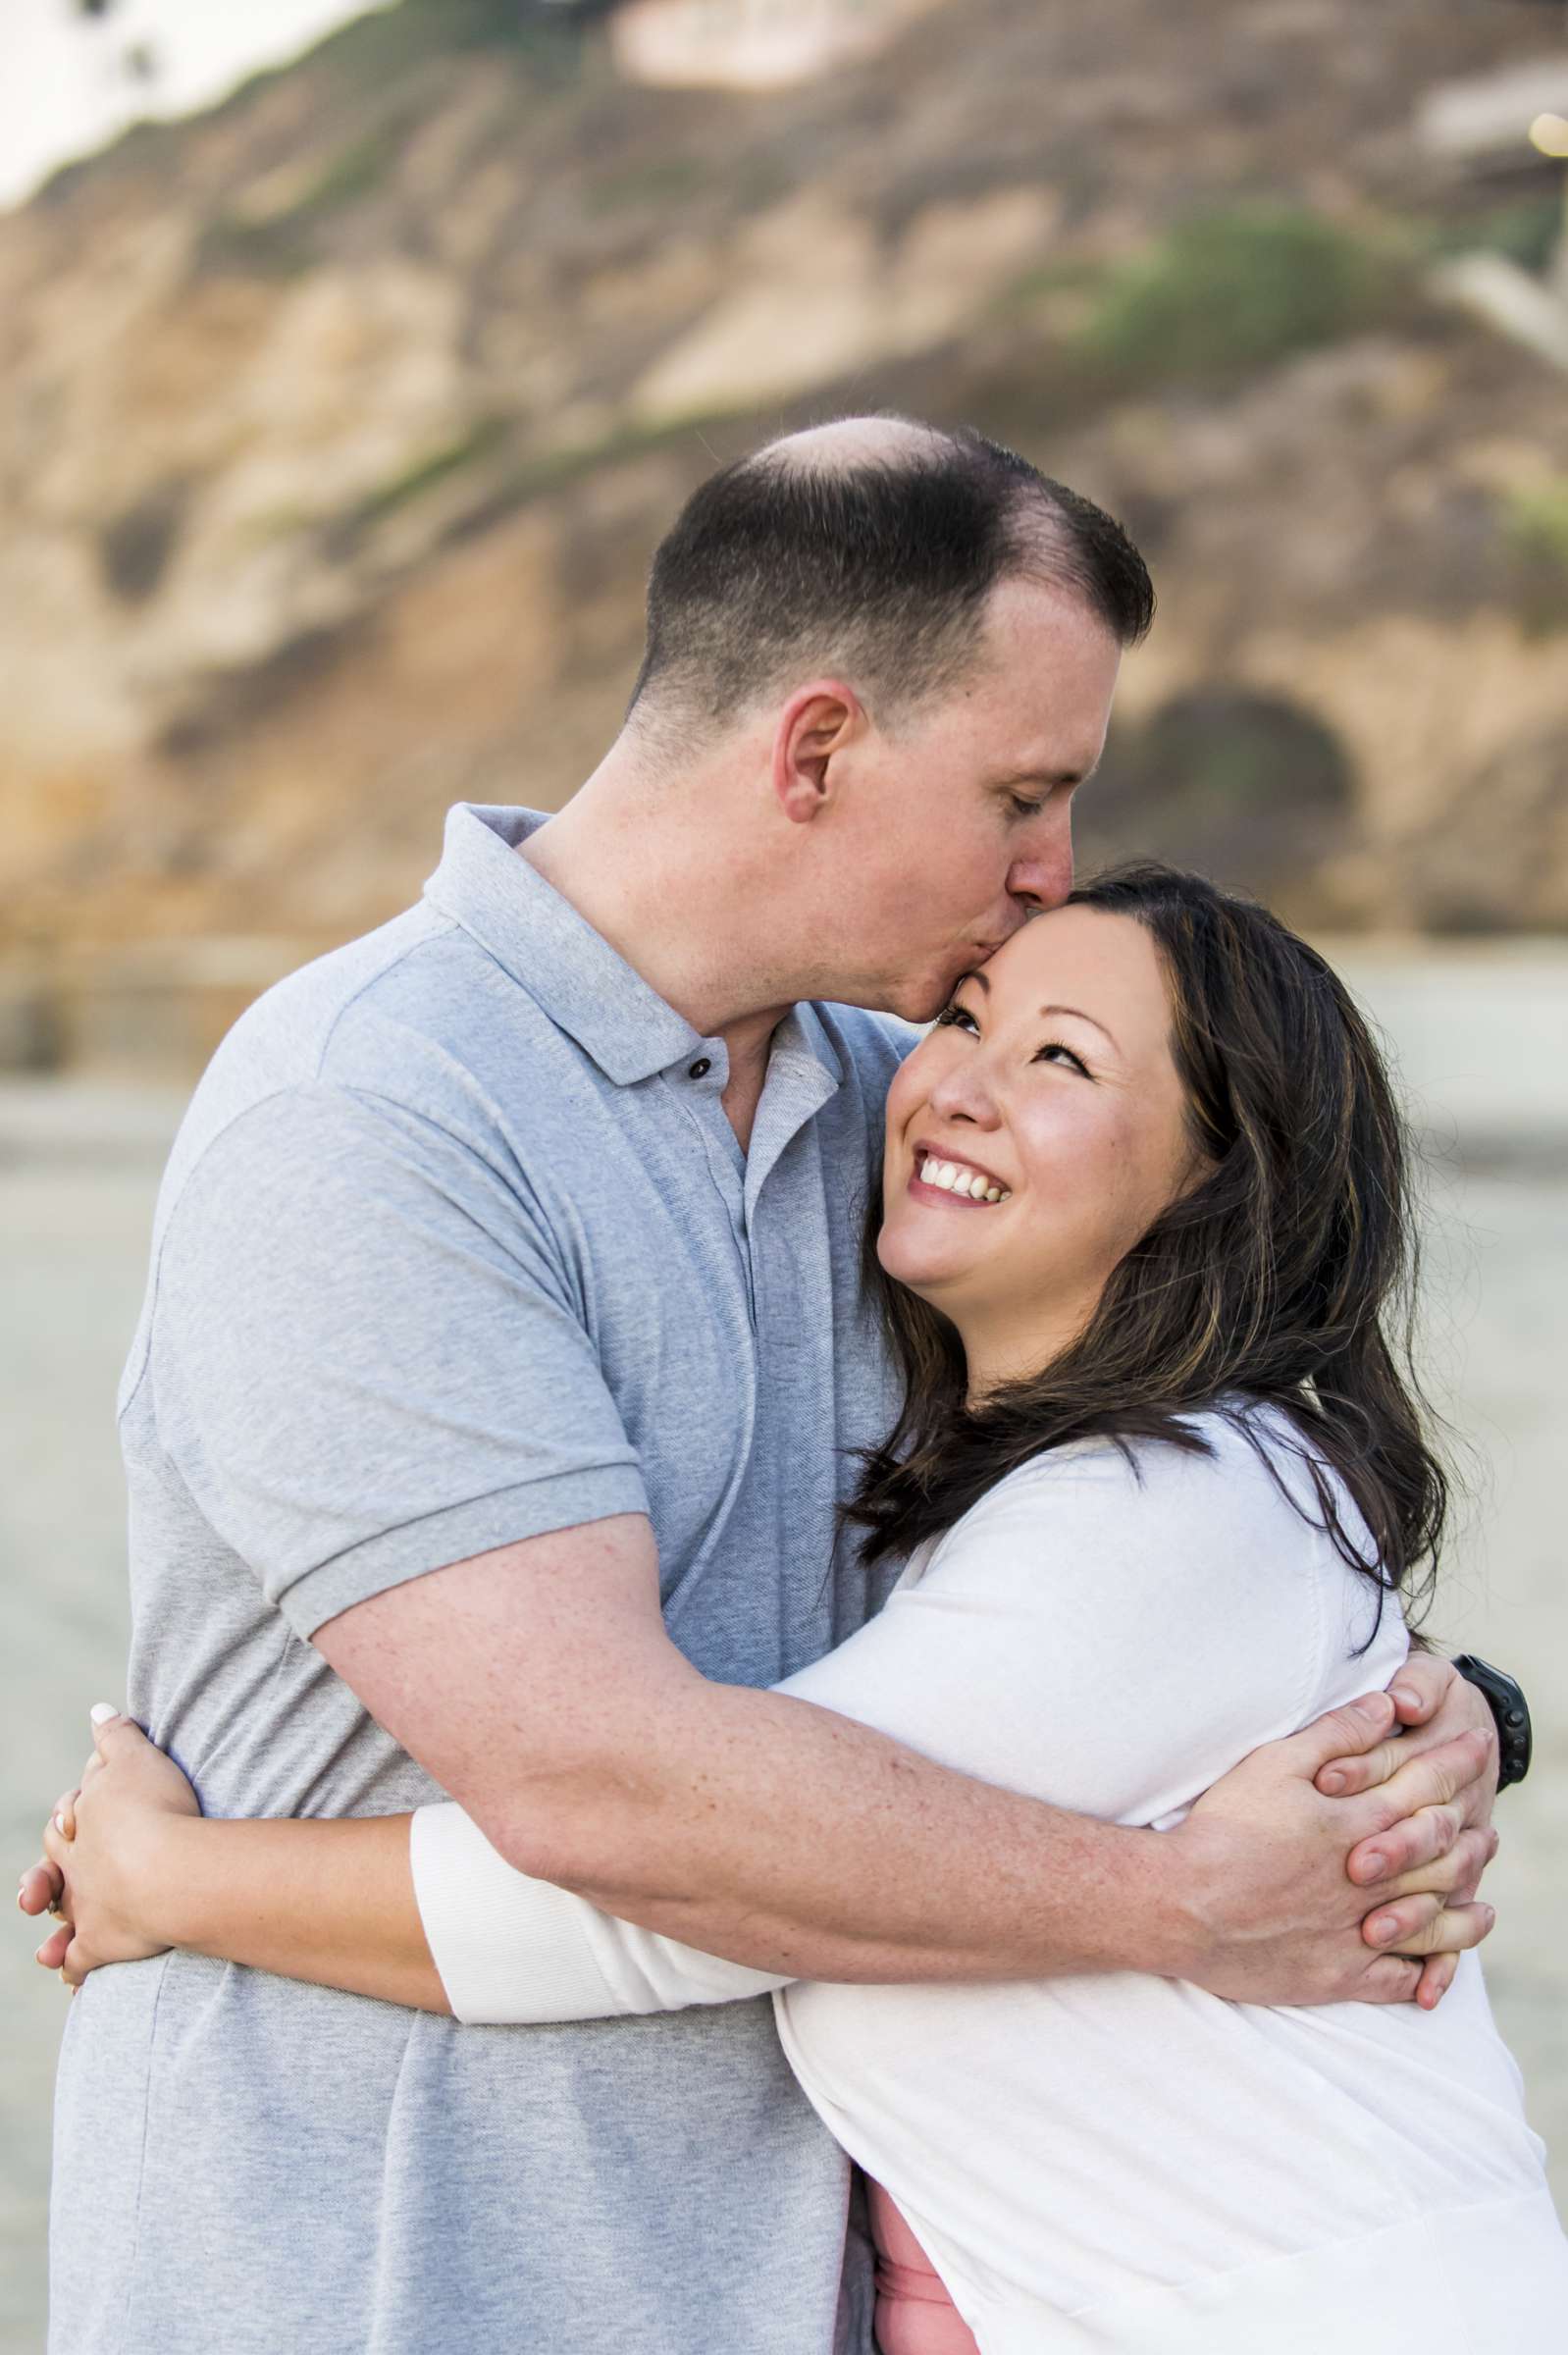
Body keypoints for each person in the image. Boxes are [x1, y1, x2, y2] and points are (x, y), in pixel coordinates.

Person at [24, 419, 1504, 2355]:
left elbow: (1168, 1497)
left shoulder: (899, 1121)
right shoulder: (374, 1118)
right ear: (815, 752)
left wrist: (1437, 1715)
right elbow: (604, 1793)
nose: (1053, 872)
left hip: (767, 2283)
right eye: (1022, 795)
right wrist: (1180, 1903)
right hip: (375, 2271)